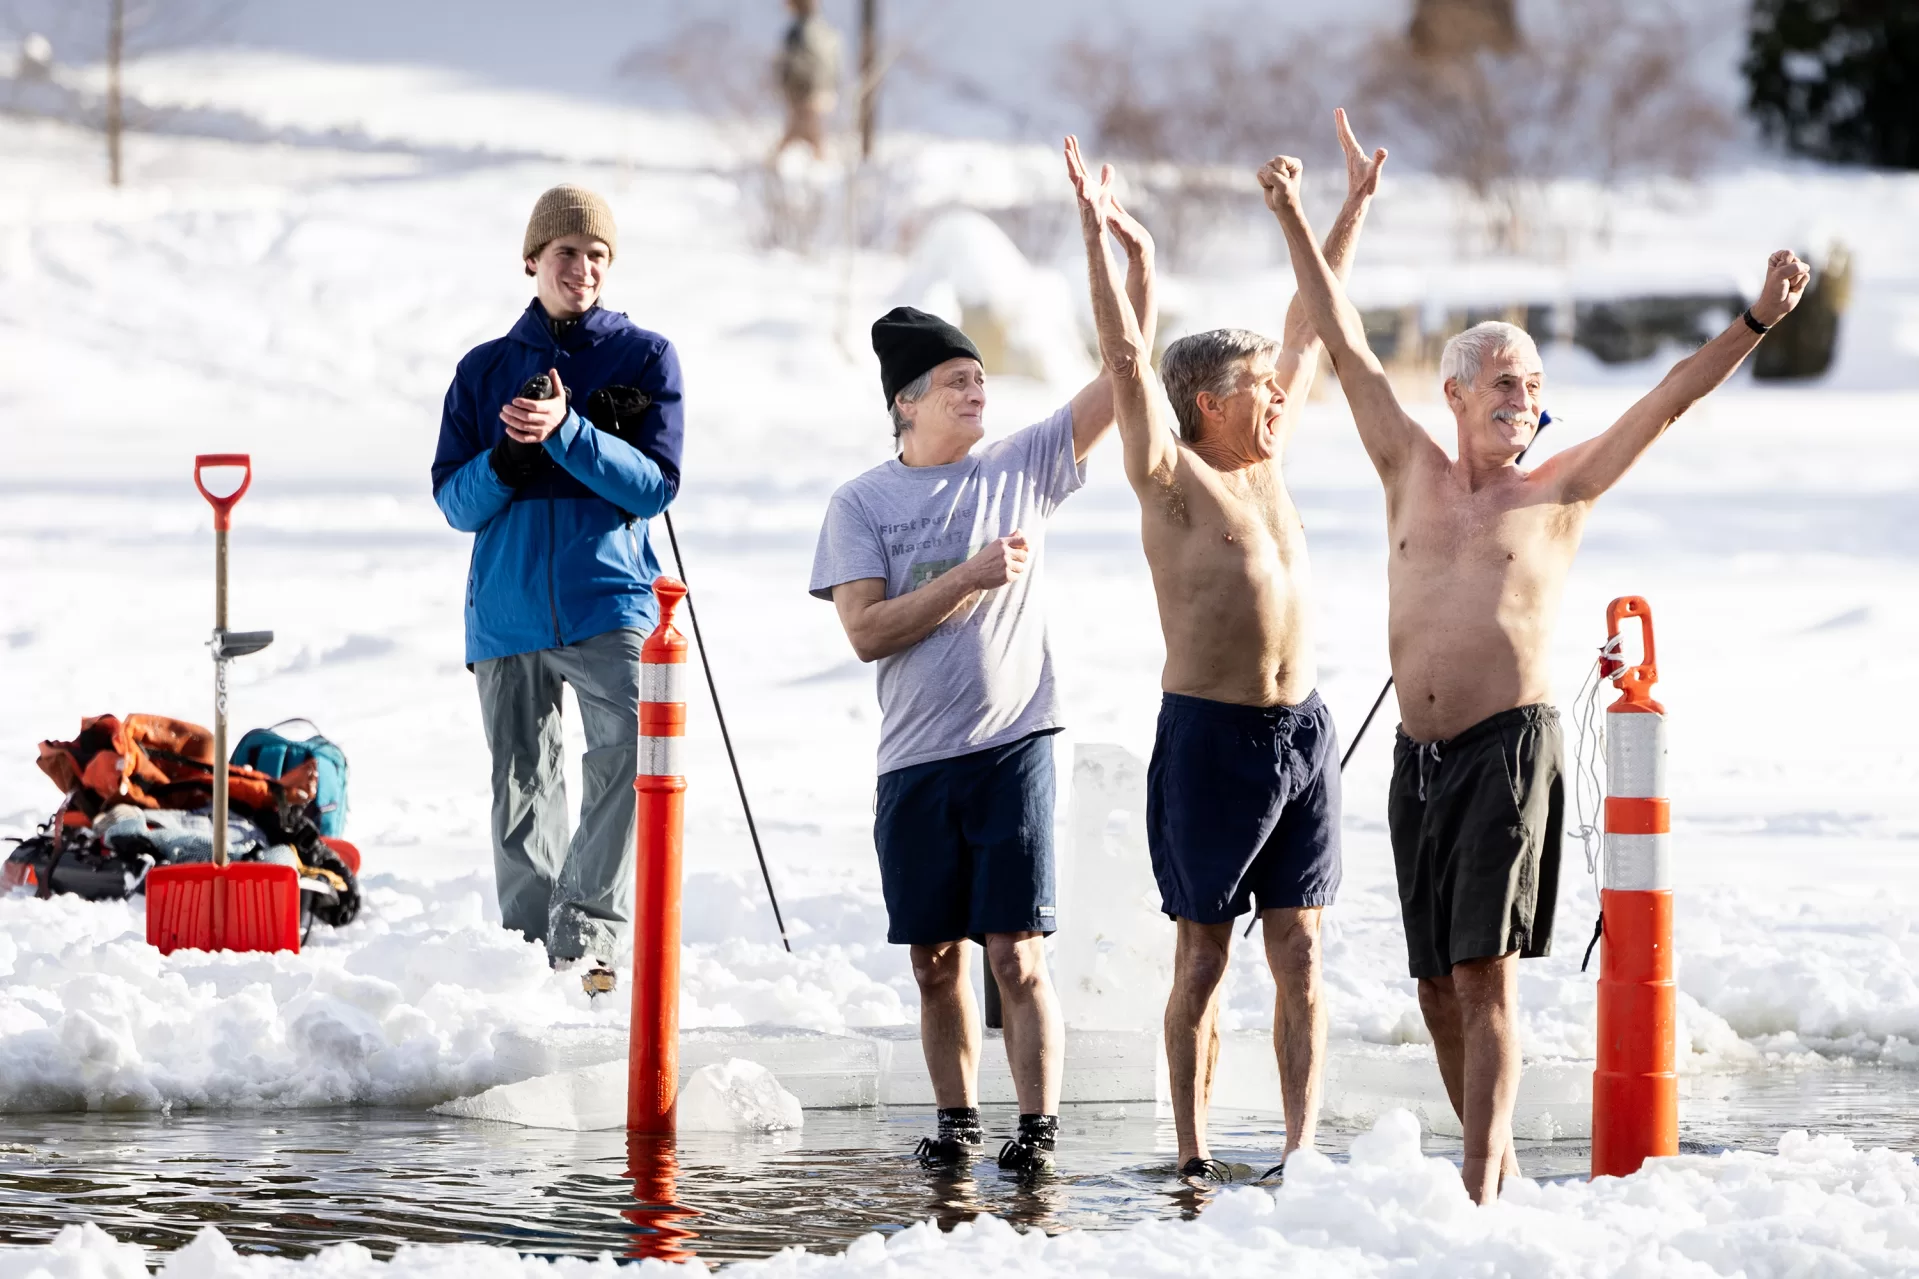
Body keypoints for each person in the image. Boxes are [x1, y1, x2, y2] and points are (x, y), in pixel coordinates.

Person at [1260, 133, 1811, 1203]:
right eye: (1504, 381)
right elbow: (1338, 333)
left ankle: (1474, 1195)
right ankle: (1497, 1167)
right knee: (1429, 986)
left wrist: (1753, 321)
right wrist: (1295, 212)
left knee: (1482, 975)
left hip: (1507, 751)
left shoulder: (1556, 488)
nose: (1523, 397)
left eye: (1535, 384)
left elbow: (1664, 401)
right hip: (1417, 761)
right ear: (1456, 391)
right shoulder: (1404, 463)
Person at [1065, 112, 1383, 1184]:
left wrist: (1344, 211)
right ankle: (1193, 1153)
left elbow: (1311, 323)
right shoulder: (1172, 478)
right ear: (1203, 402)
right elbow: (1120, 357)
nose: (1276, 394)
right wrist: (1103, 245)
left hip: (1302, 735)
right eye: (1255, 385)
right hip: (1208, 740)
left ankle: (1297, 1149)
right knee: (1202, 954)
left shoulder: (1269, 459)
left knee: (1301, 949)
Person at [809, 214, 1157, 1175]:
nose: (979, 391)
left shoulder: (1022, 465)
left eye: (980, 379)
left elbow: (1127, 378)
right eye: (959, 381)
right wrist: (965, 578)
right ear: (907, 405)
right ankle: (958, 1121)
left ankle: (1037, 1131)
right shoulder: (861, 505)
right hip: (914, 759)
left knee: (1017, 953)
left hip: (1015, 743)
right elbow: (865, 630)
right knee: (933, 960)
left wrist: (1136, 271)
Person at [430, 185, 686, 995]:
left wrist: (569, 431)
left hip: (607, 600)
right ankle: (527, 956)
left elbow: (654, 487)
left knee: (633, 754)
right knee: (520, 787)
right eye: (567, 252)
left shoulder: (644, 357)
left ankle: (584, 936)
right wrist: (507, 455)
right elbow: (454, 503)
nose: (582, 268)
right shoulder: (482, 371)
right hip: (504, 611)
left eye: (597, 255)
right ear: (532, 260)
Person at [772, 0, 841, 162]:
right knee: (809, 133)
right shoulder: (824, 29)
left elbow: (794, 64)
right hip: (822, 91)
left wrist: (788, 86)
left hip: (805, 93)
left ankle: (773, 166)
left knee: (807, 133)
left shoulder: (799, 32)